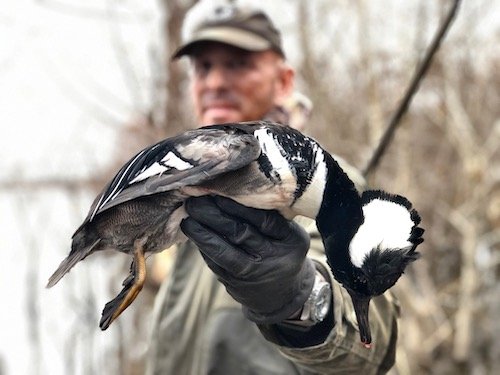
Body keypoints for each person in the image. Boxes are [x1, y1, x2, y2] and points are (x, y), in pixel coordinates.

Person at [146, 3, 398, 374]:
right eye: (203, 67)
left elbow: (373, 336)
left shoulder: (323, 181)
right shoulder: (192, 188)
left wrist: (300, 296)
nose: (215, 82)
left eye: (237, 64)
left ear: (283, 81)